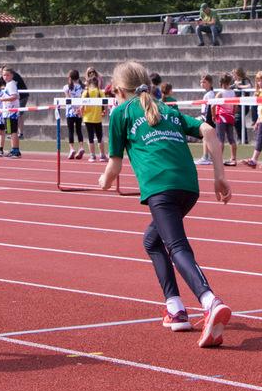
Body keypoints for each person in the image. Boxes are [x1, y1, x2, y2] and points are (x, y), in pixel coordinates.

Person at [98, 61, 233, 347]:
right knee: (152, 241)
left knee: (176, 246)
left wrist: (104, 181)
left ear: (120, 90)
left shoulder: (120, 113)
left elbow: (114, 165)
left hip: (161, 186)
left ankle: (209, 300)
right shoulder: (168, 110)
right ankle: (175, 309)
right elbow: (208, 131)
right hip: (188, 187)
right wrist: (219, 177)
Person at [241, 70, 262, 168]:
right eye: (258, 81)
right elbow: (260, 108)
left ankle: (254, 159)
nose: (260, 83)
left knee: (259, 138)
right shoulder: (260, 92)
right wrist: (258, 120)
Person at [82, 77, 108, 162]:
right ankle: (102, 155)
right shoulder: (100, 92)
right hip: (97, 118)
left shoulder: (86, 92)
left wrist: (81, 113)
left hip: (88, 118)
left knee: (90, 137)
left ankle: (92, 156)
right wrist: (105, 111)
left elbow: (82, 105)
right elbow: (105, 103)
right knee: (100, 137)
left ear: (89, 83)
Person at [214, 73, 238, 166]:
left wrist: (213, 115)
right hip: (230, 116)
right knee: (231, 138)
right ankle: (233, 158)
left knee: (221, 139)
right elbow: (235, 106)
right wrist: (233, 114)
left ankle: (219, 159)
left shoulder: (220, 93)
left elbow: (213, 105)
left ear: (220, 82)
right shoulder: (233, 93)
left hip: (221, 117)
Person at [63, 69, 86, 160]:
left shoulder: (66, 87)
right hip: (79, 111)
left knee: (70, 130)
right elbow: (83, 98)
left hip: (70, 111)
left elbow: (68, 98)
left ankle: (72, 149)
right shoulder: (82, 87)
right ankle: (81, 147)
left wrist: (73, 108)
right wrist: (79, 108)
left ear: (70, 77)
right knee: (79, 130)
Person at [0, 67, 22, 158]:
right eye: (4, 75)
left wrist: (2, 99)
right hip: (8, 112)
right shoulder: (9, 85)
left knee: (13, 132)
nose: (5, 77)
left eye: (7, 75)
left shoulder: (11, 84)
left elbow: (14, 96)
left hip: (11, 112)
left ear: (12, 75)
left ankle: (16, 150)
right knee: (11, 132)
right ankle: (14, 149)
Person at [194, 74, 215, 165]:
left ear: (210, 83)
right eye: (201, 82)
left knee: (205, 137)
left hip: (208, 118)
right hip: (205, 117)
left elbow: (210, 107)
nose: (202, 84)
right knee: (205, 137)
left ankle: (206, 156)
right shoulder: (207, 94)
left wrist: (206, 118)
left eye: (204, 82)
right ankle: (207, 156)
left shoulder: (210, 94)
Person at [231, 68, 251, 143]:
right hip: (236, 104)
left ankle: (244, 138)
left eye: (234, 74)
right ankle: (240, 137)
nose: (233, 76)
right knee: (236, 121)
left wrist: (239, 86)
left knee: (239, 119)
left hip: (244, 105)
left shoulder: (245, 80)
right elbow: (231, 87)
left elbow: (249, 86)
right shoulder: (234, 82)